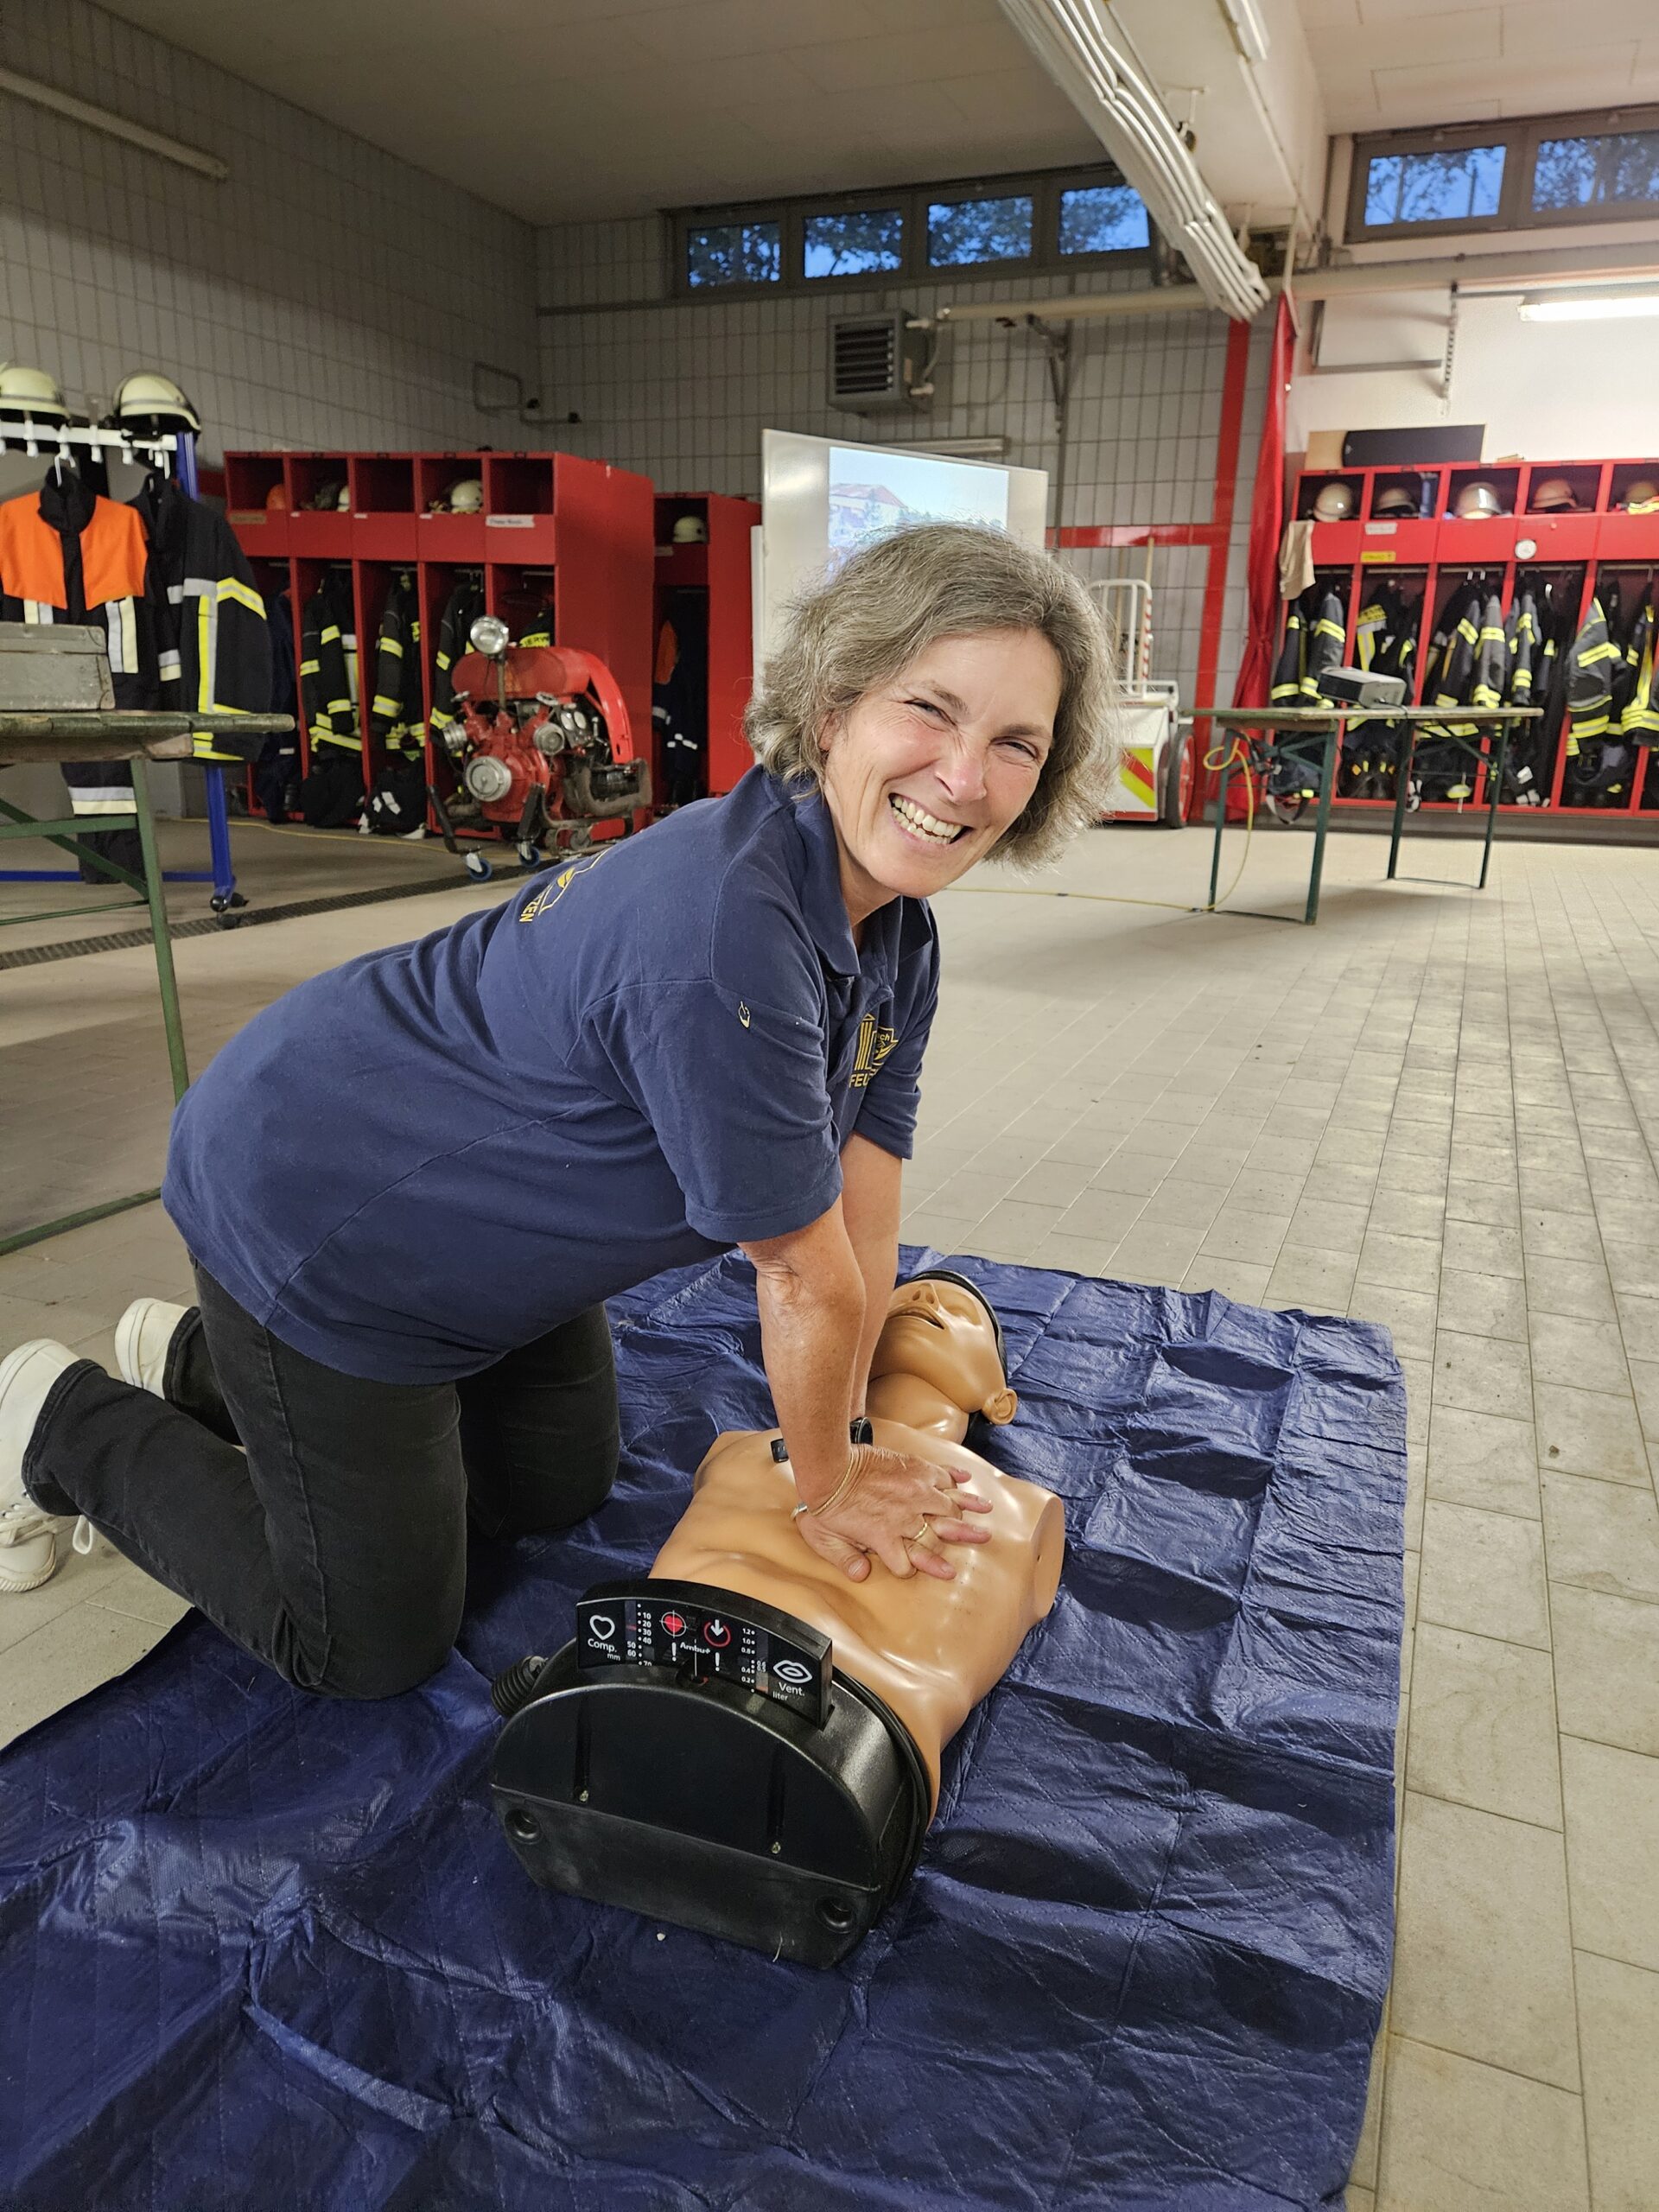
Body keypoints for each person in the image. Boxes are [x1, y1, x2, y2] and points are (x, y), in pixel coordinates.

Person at [0, 523, 1117, 1694]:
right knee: (370, 1646)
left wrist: (858, 1440)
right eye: (930, 709)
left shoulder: (897, 934)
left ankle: (190, 1358)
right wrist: (829, 1484)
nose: (965, 777)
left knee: (550, 1494)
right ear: (833, 707)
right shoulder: (729, 934)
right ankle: (59, 1421)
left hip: (478, 1233)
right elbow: (801, 1273)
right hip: (320, 1213)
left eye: (1016, 744)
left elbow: (861, 1211)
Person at [652, 1268, 1065, 1808]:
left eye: (962, 1313)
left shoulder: (1026, 1510)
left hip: (840, 1757)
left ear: (1000, 1401)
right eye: (897, 1298)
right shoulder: (739, 1445)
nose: (925, 1295)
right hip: (646, 1673)